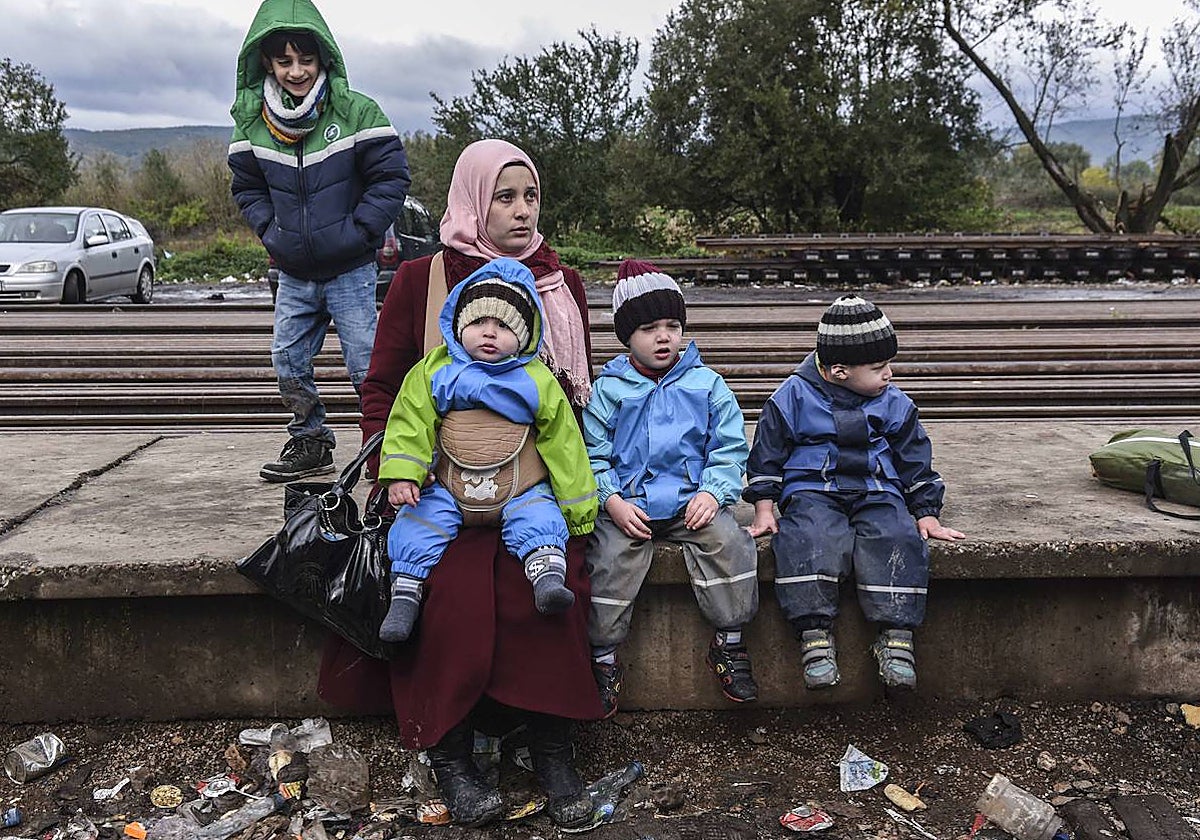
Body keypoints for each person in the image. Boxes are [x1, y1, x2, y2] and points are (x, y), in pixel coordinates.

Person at [316, 139, 600, 829]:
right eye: (504, 197)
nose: (522, 211)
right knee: (444, 587)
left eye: (530, 196)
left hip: (530, 485)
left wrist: (579, 492)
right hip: (440, 486)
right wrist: (395, 475)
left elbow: (572, 409)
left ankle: (551, 744)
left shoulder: (559, 284)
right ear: (474, 200)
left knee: (548, 580)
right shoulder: (423, 278)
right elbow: (384, 387)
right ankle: (449, 752)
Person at [228, 0, 410, 483]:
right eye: (284, 60)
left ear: (324, 58)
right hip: (295, 271)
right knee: (286, 358)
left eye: (305, 59)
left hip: (351, 268)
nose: (296, 71)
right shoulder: (251, 122)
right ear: (266, 61)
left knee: (365, 366)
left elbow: (391, 177)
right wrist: (272, 233)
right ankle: (310, 439)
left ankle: (386, 445)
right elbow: (246, 186)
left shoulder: (356, 112)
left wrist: (362, 232)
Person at [743, 295, 965, 691]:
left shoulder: (894, 403)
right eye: (879, 367)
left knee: (896, 535)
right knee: (809, 537)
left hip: (877, 488)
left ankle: (896, 636)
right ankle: (814, 634)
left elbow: (915, 457)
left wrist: (925, 511)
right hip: (813, 489)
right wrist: (764, 507)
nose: (889, 375)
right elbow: (767, 454)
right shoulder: (792, 397)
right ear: (839, 371)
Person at [376, 258, 597, 642]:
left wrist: (577, 508)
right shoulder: (435, 371)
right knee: (419, 521)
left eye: (504, 326)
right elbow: (409, 420)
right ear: (460, 326)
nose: (489, 333)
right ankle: (405, 594)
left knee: (539, 517)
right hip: (449, 486)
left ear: (525, 335)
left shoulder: (536, 380)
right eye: (479, 323)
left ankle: (546, 576)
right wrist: (401, 473)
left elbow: (564, 443)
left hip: (519, 486)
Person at [583, 259, 760, 718]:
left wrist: (714, 492)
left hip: (690, 503)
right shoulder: (608, 390)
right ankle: (602, 658)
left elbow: (729, 446)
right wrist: (612, 500)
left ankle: (730, 643)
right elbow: (592, 453)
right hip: (630, 508)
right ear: (626, 336)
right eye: (647, 328)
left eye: (672, 325)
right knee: (607, 560)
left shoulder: (706, 384)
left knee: (730, 544)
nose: (663, 337)